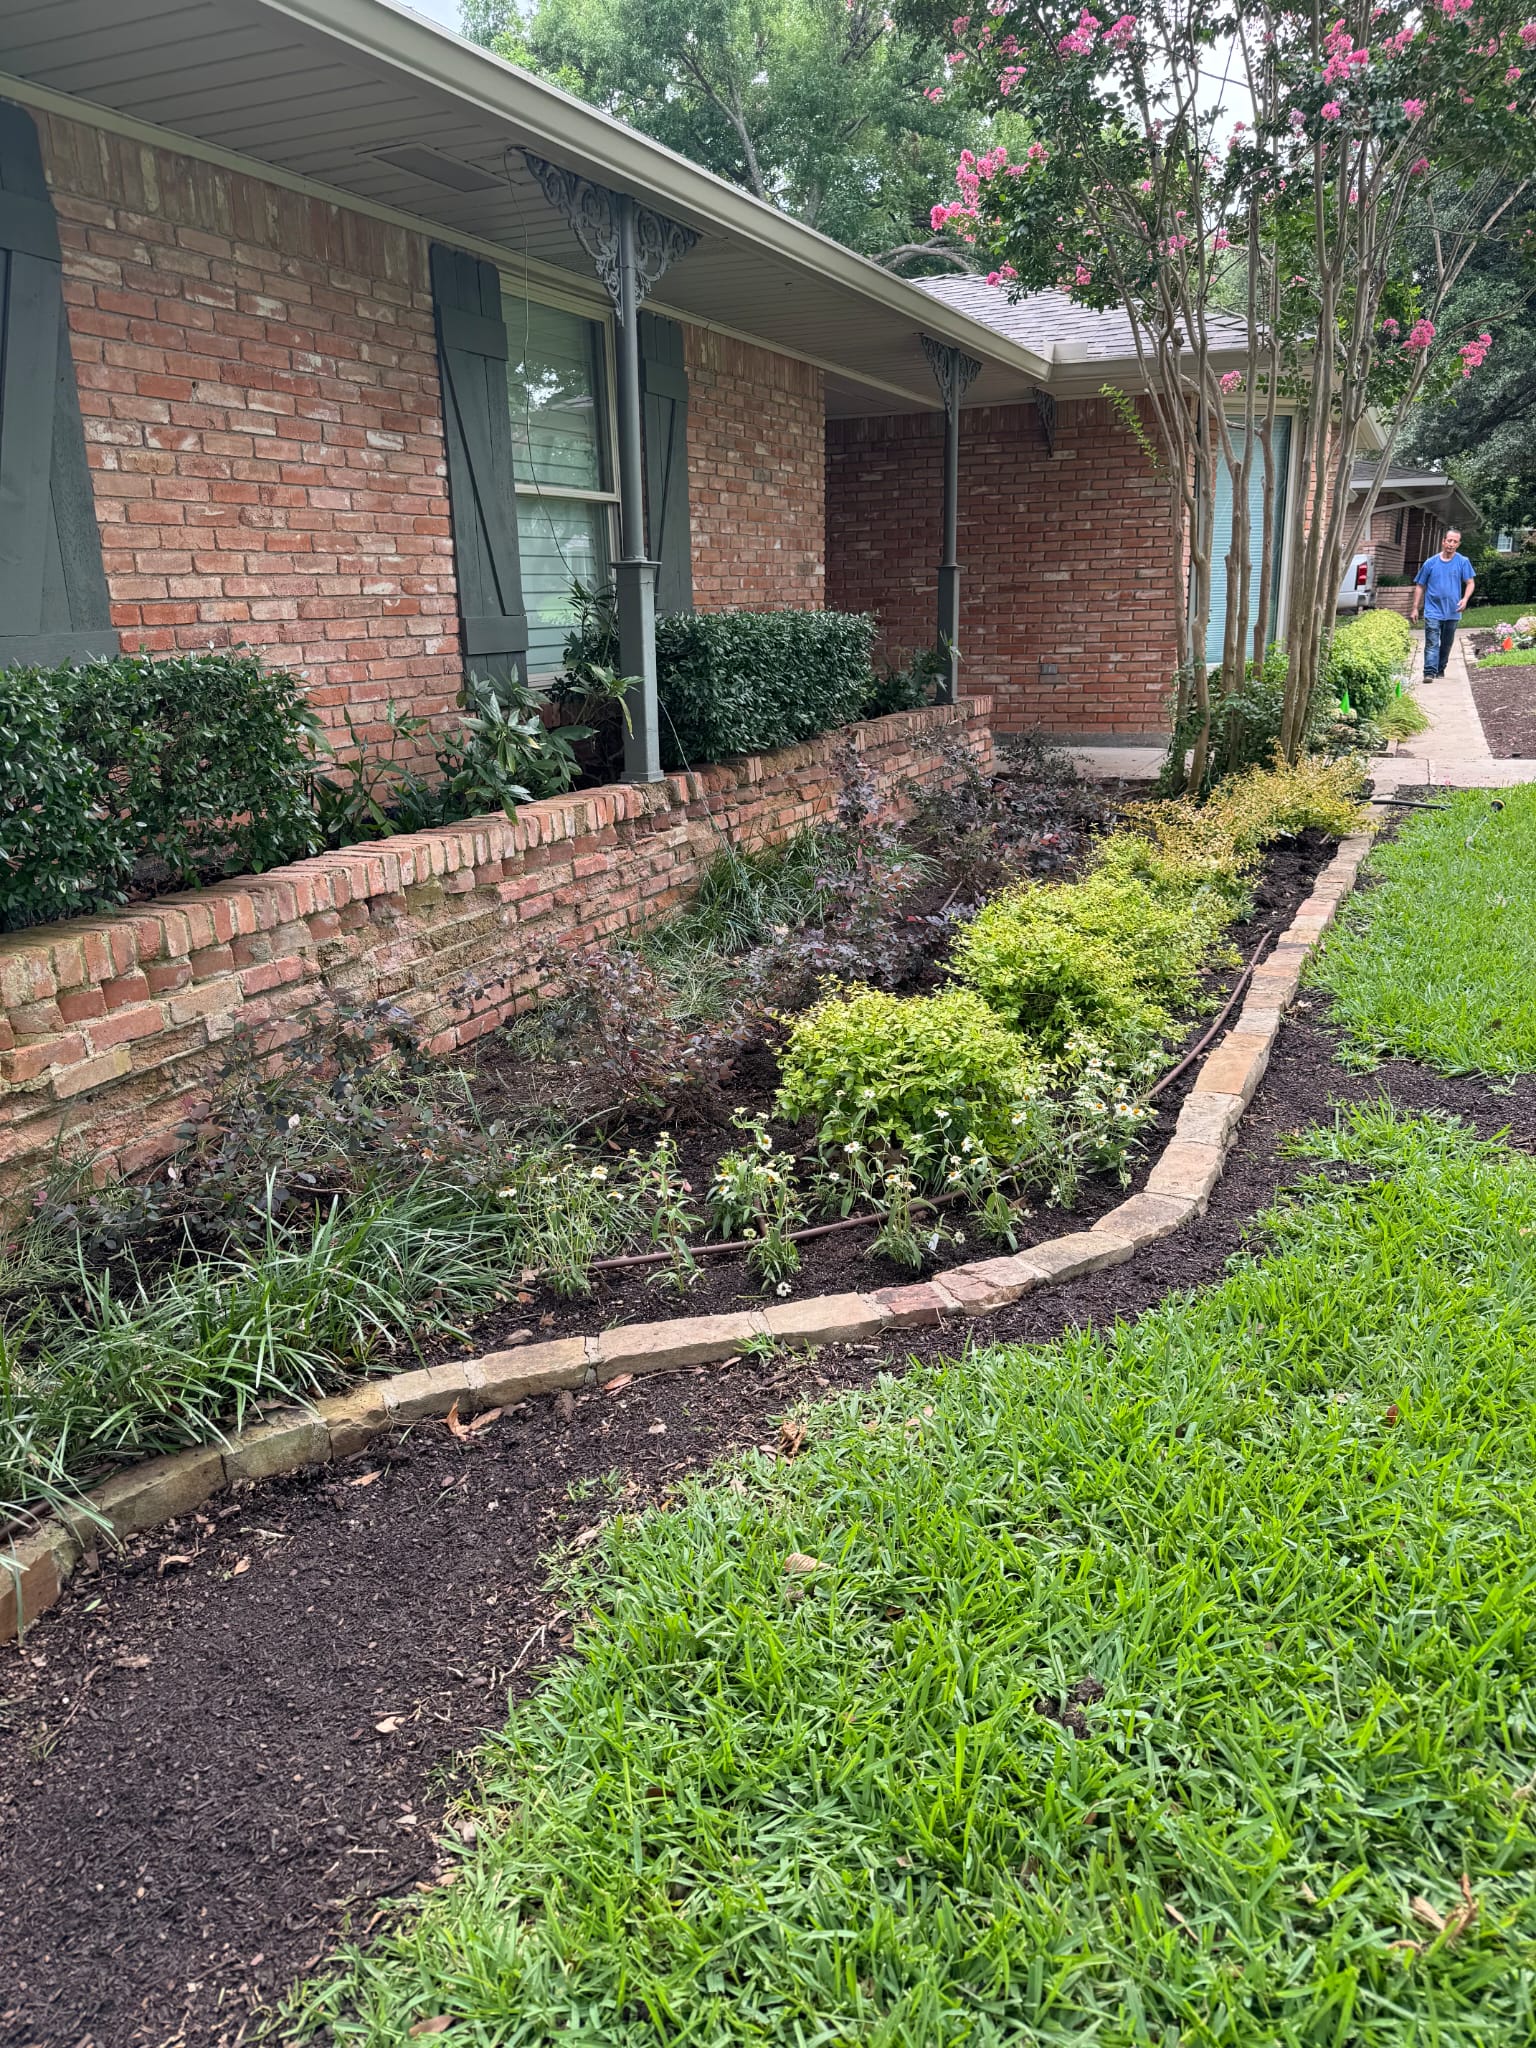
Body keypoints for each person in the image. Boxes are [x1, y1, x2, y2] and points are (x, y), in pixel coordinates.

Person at [1409, 528, 1475, 678]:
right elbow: (1420, 585)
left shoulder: (1463, 562)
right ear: (1443, 541)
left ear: (1458, 544)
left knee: (1446, 643)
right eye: (1449, 540)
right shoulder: (1430, 563)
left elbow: (1470, 582)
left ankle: (1440, 669)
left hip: (1453, 610)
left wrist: (1465, 599)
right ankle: (1429, 672)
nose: (1451, 544)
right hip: (1432, 610)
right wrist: (1415, 608)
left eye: (1455, 541)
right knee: (1432, 641)